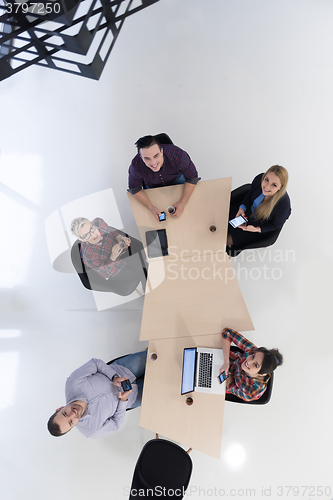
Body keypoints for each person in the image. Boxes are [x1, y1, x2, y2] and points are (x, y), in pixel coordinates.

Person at [47, 351, 147, 438]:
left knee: (159, 355)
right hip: (134, 396)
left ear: (59, 408)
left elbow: (95, 363)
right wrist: (123, 400)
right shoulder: (92, 431)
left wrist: (114, 377)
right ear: (71, 429)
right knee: (161, 388)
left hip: (123, 369)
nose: (73, 414)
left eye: (65, 413)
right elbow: (116, 424)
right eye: (71, 422)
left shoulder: (72, 383)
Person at [128, 135, 200, 220]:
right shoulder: (136, 165)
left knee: (190, 213)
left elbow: (192, 178)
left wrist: (183, 202)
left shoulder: (178, 155)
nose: (153, 163)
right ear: (141, 157)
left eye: (156, 156)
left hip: (176, 180)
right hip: (152, 186)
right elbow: (135, 189)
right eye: (147, 158)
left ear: (161, 151)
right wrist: (151, 207)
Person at [71, 217, 147, 295]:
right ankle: (148, 288)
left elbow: (110, 230)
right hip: (112, 268)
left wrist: (119, 237)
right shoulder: (89, 257)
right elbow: (105, 272)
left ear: (93, 224)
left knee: (144, 268)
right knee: (137, 274)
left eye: (92, 228)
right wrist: (113, 257)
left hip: (120, 252)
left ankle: (147, 287)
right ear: (82, 239)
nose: (94, 235)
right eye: (86, 235)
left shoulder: (98, 222)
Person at [227, 165, 291, 252]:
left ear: (281, 187)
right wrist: (242, 208)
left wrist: (257, 229)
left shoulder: (283, 205)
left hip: (258, 225)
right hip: (246, 212)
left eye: (274, 185)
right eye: (266, 179)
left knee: (226, 242)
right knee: (219, 225)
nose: (267, 187)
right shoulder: (259, 179)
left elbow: (275, 225)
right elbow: (249, 194)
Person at [219, 327, 283, 402]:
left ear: (262, 374)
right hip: (224, 359)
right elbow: (227, 332)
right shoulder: (254, 351)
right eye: (252, 356)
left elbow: (229, 386)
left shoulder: (253, 392)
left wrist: (227, 377)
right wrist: (226, 362)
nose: (248, 362)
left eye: (255, 365)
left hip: (223, 382)